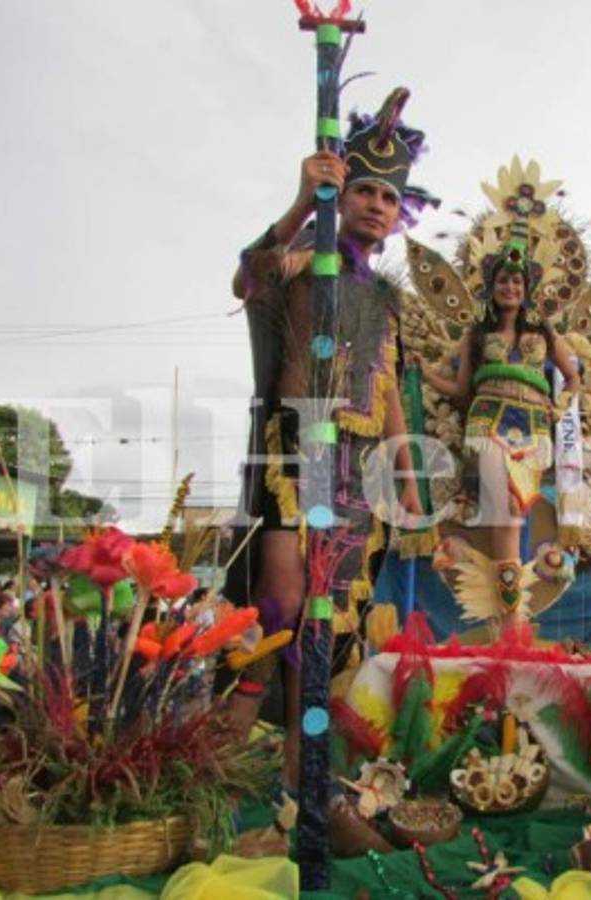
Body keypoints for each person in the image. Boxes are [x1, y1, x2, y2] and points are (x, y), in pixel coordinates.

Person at [228, 88, 431, 785]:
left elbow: (391, 395)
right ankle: (215, 762)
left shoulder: (386, 298)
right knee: (279, 603)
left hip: (362, 461)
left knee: (332, 622)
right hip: (298, 447)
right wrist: (298, 202)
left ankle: (300, 778)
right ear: (341, 195)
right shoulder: (305, 258)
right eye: (363, 189)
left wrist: (407, 484)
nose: (375, 204)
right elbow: (247, 276)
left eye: (387, 196)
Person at [419, 252, 580, 607]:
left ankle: (506, 615)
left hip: (534, 423)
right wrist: (428, 375)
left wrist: (562, 405)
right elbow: (462, 389)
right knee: (503, 510)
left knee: (516, 510)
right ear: (491, 289)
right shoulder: (476, 335)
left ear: (527, 290)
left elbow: (572, 377)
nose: (510, 287)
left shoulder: (544, 333)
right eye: (503, 281)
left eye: (517, 282)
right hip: (489, 420)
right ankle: (509, 623)